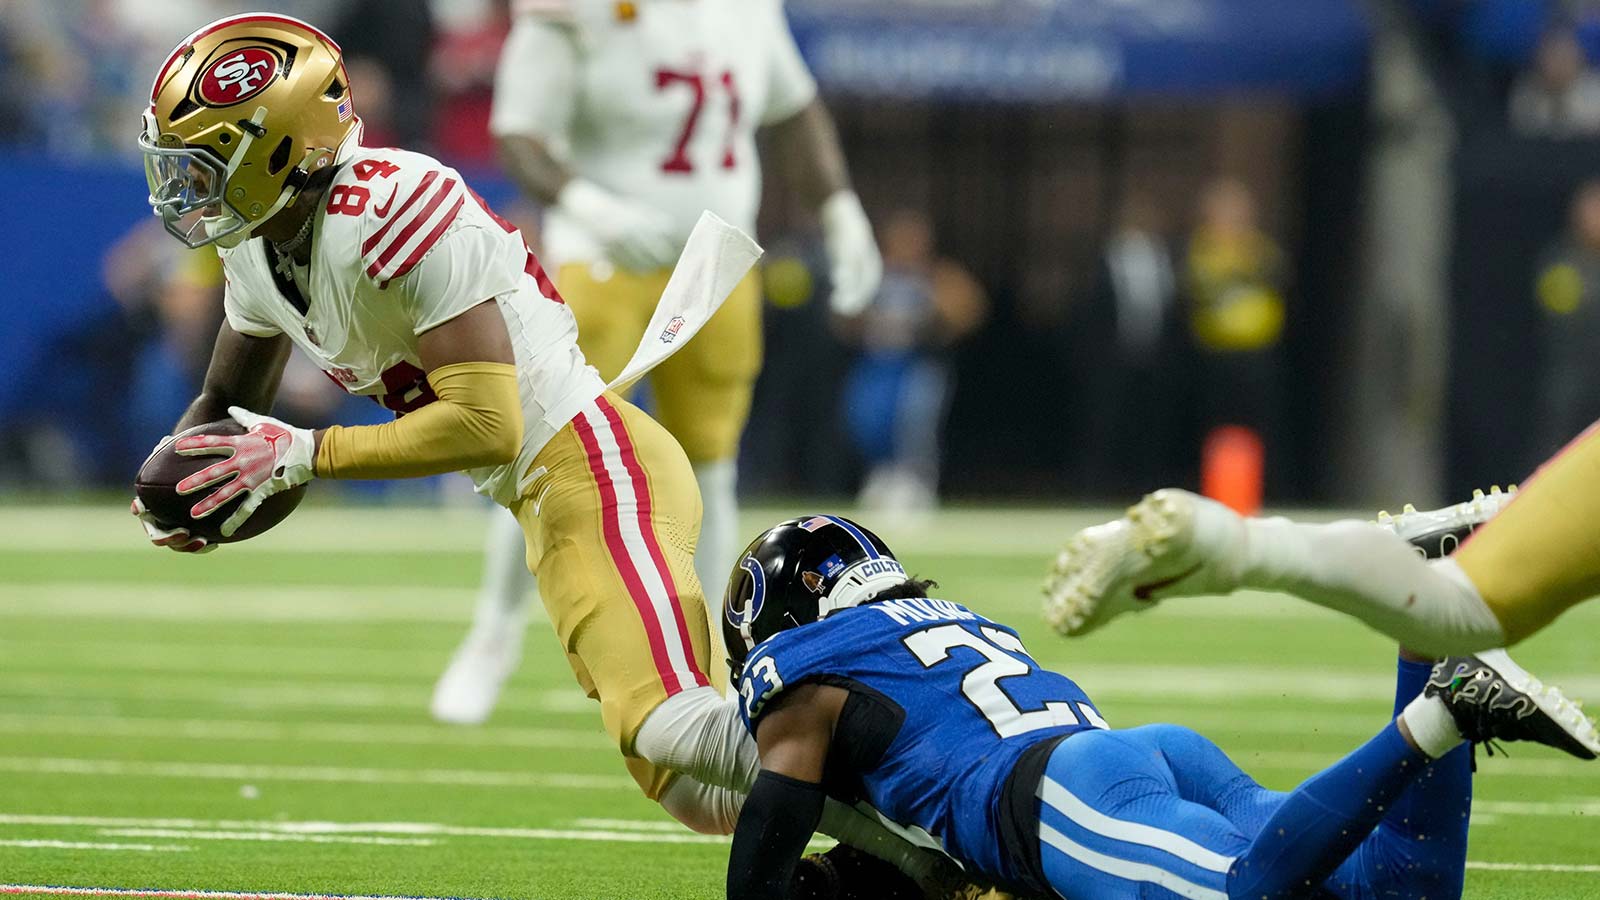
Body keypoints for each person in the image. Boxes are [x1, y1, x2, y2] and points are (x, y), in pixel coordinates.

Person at [126, 18, 941, 880]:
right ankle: (921, 836)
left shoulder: (391, 208)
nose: (182, 188)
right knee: (700, 791)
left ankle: (945, 808)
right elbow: (225, 409)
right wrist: (183, 489)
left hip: (596, 470)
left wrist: (303, 455)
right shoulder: (260, 250)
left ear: (280, 150)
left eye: (202, 162)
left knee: (673, 726)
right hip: (547, 495)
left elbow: (488, 425)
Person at [722, 515, 1599, 900]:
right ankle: (1427, 614)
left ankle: (1440, 712)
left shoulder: (803, 668)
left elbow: (764, 857)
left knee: (1240, 897)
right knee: (1400, 890)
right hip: (1132, 759)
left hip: (1057, 800)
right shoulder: (947, 619)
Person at [432, 0, 883, 727]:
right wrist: (593, 207)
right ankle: (494, 632)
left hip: (718, 263)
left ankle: (720, 662)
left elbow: (795, 109)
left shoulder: (746, 10)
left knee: (712, 459)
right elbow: (519, 134)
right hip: (607, 260)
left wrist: (839, 207)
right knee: (547, 446)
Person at [838, 209, 986, 516]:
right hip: (876, 366)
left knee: (914, 425)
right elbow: (841, 315)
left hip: (916, 365)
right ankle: (881, 476)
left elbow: (969, 312)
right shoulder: (873, 275)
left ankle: (916, 482)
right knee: (867, 422)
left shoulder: (935, 276)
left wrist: (935, 312)